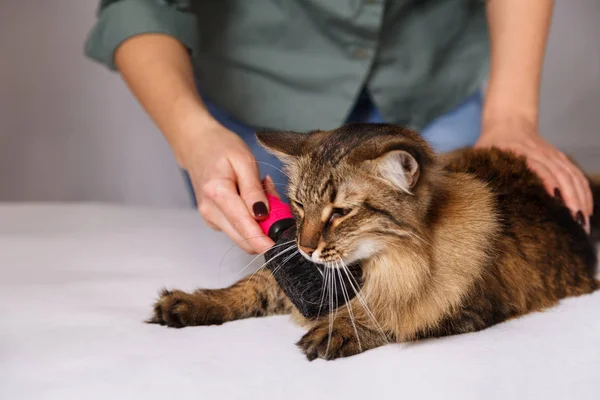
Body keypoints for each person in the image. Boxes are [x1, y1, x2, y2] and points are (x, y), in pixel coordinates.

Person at [85, 0, 593, 254]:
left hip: (430, 77)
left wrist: (512, 118)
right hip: (261, 98)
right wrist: (193, 136)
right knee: (281, 265)